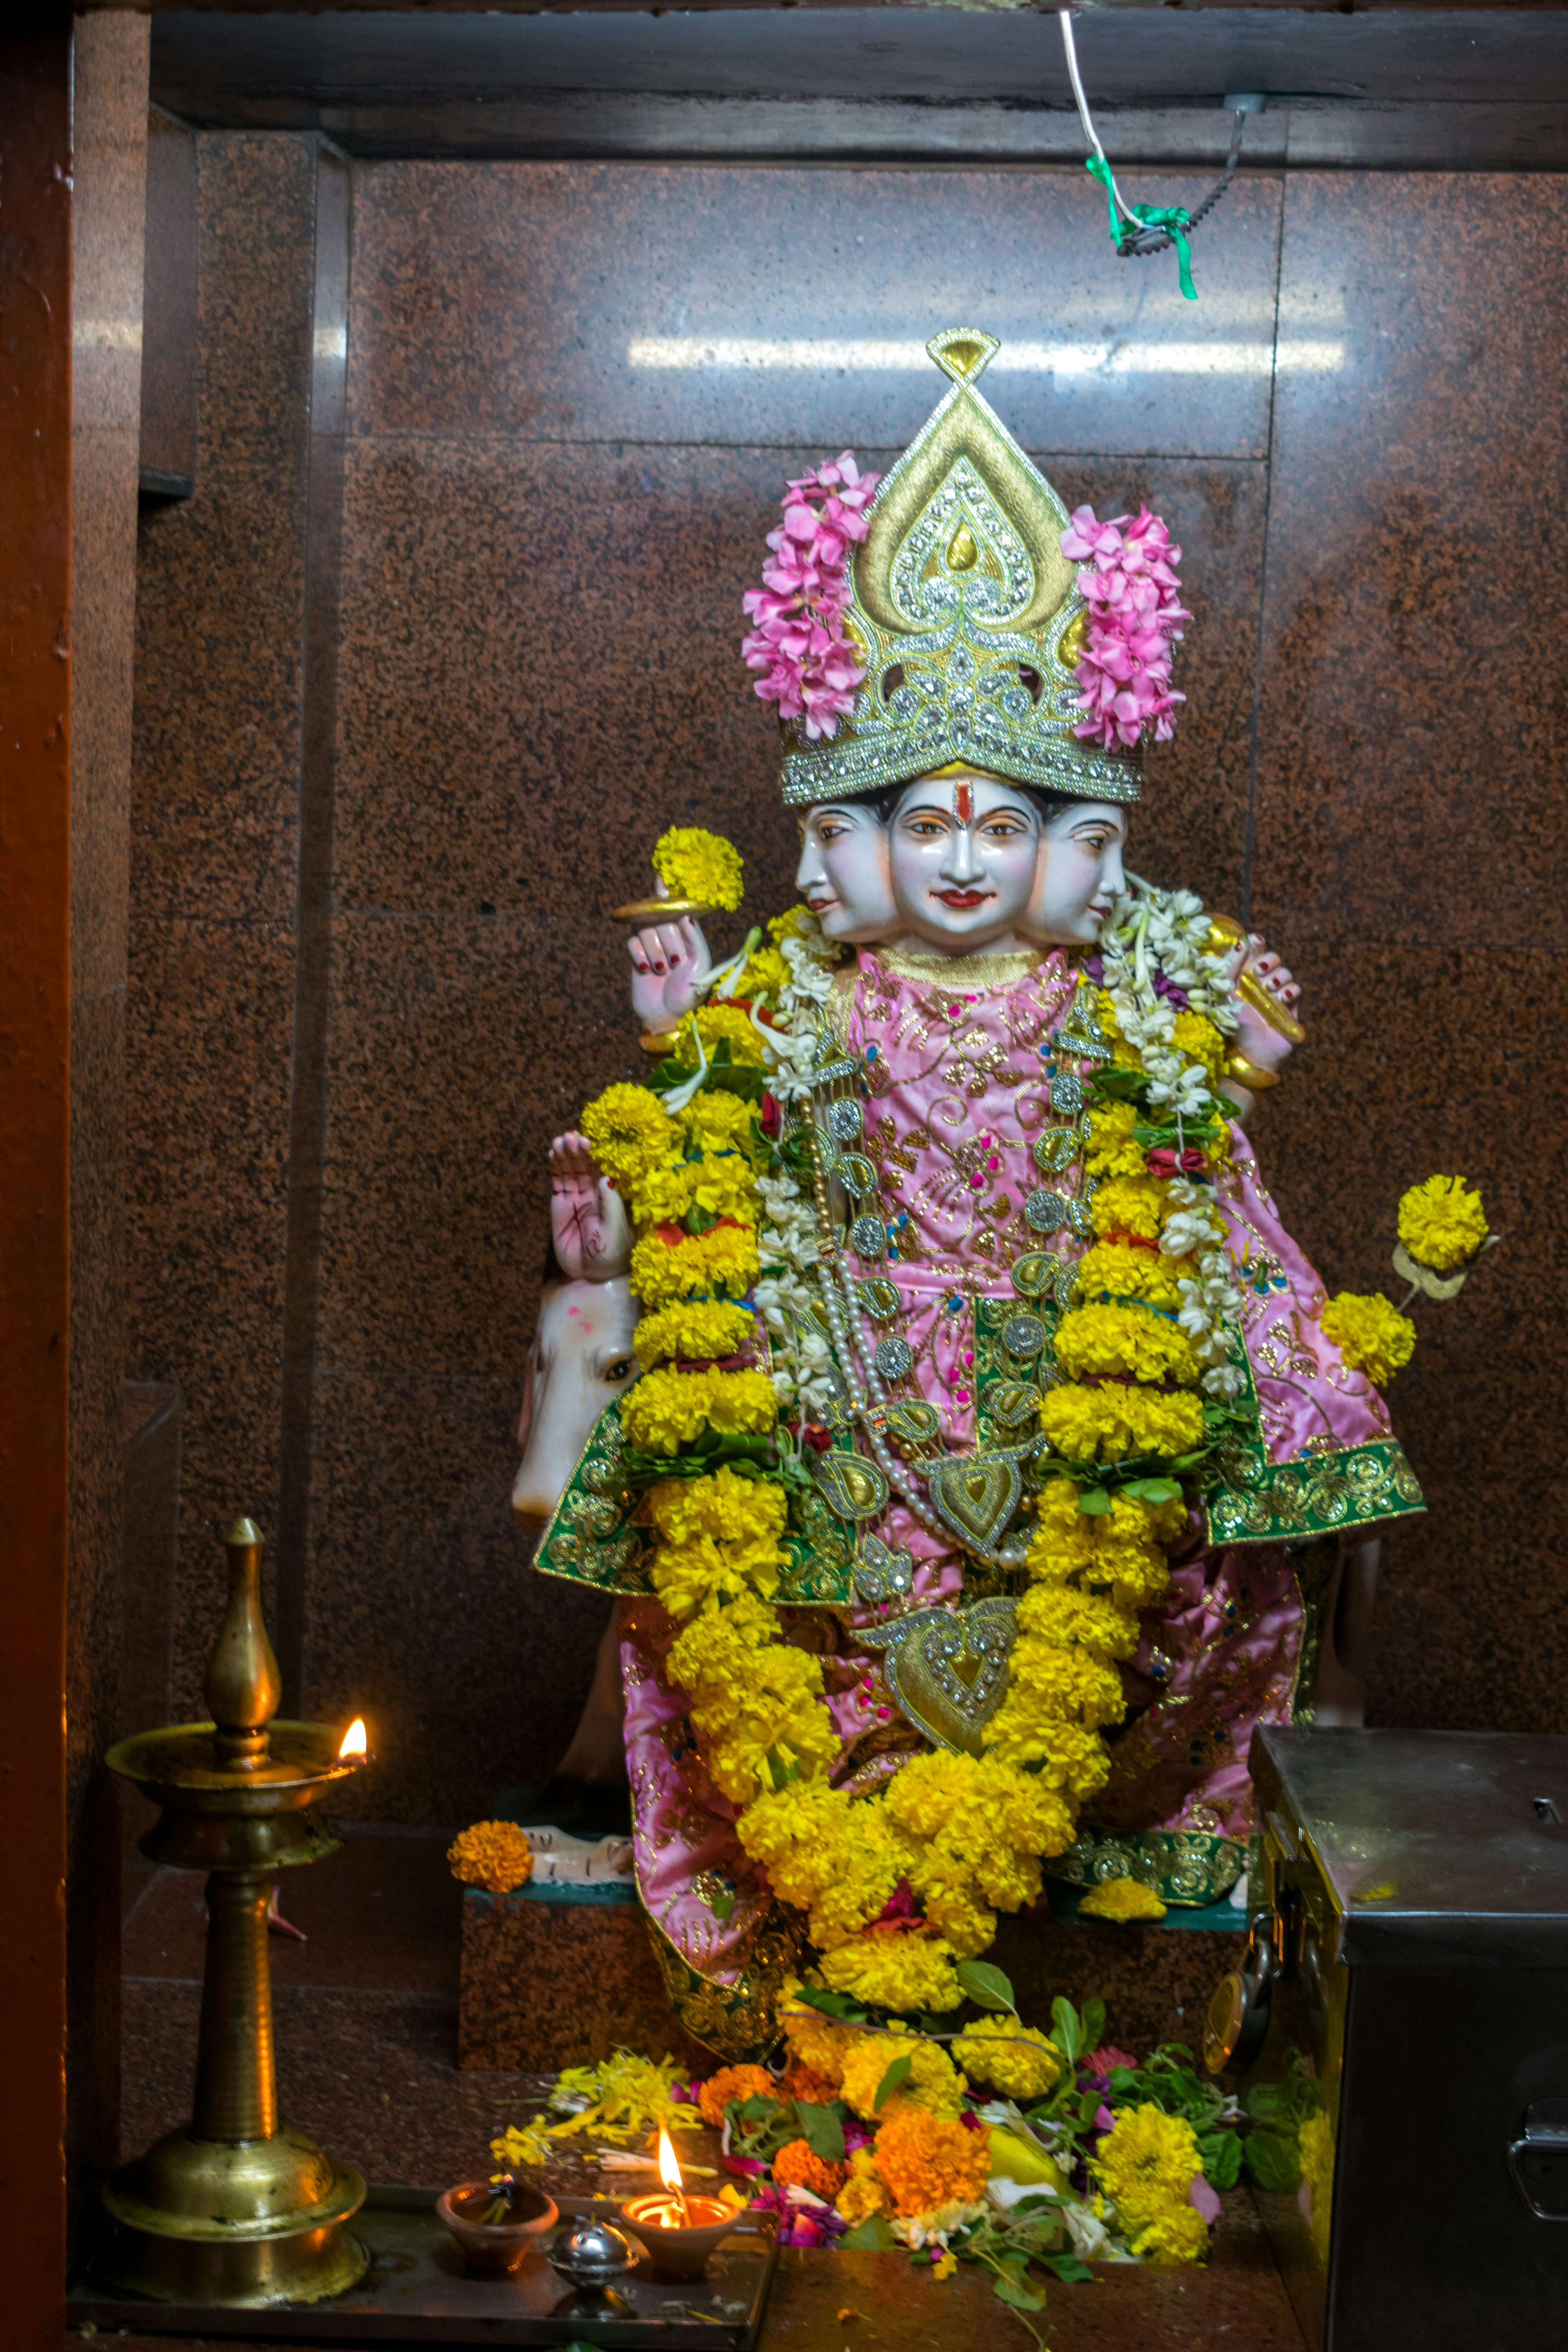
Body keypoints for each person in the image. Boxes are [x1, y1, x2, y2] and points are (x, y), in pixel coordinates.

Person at [532, 330, 1421, 2056]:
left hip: (1079, 1406)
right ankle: (801, 1908)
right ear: (852, 834)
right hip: (839, 1398)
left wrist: (1218, 1098)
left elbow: (1193, 1198)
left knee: (1230, 1529)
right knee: (694, 1491)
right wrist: (673, 1091)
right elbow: (732, 1183)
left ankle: (1138, 1909)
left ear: (1065, 841)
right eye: (921, 822)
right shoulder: (796, 983)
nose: (957, 859)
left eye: (1000, 827)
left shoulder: (1121, 996)